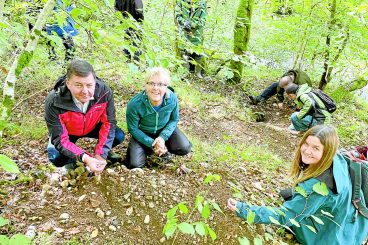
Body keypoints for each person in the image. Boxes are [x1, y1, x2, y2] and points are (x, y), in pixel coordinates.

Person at [227, 125, 368, 245]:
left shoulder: (318, 188)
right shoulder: (337, 158)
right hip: (354, 227)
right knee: (290, 194)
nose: (307, 151)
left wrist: (245, 210)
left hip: (334, 239)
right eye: (306, 144)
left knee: (291, 201)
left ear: (326, 152)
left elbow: (286, 216)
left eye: (316, 148)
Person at [45, 60, 124, 174]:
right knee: (56, 157)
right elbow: (60, 139)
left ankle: (104, 152)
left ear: (95, 82)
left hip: (92, 126)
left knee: (118, 135)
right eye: (78, 85)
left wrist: (100, 154)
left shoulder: (104, 92)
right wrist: (85, 158)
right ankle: (73, 162)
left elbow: (109, 123)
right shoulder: (54, 101)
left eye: (89, 85)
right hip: (68, 131)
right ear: (68, 83)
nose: (85, 91)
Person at [126, 67, 192, 172]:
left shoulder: (172, 98)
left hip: (163, 129)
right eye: (151, 83)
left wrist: (162, 137)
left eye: (160, 84)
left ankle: (163, 148)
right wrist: (152, 142)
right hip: (143, 133)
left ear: (166, 87)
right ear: (145, 85)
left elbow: (174, 120)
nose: (155, 88)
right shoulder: (135, 104)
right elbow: (133, 128)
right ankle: (152, 148)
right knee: (134, 164)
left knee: (184, 148)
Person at [175, 0, 207, 78]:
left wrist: (192, 24)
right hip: (184, 30)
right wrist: (184, 22)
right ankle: (185, 72)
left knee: (198, 52)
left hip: (196, 32)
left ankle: (198, 72)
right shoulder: (180, 1)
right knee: (184, 51)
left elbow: (203, 20)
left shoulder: (202, 2)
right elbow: (177, 15)